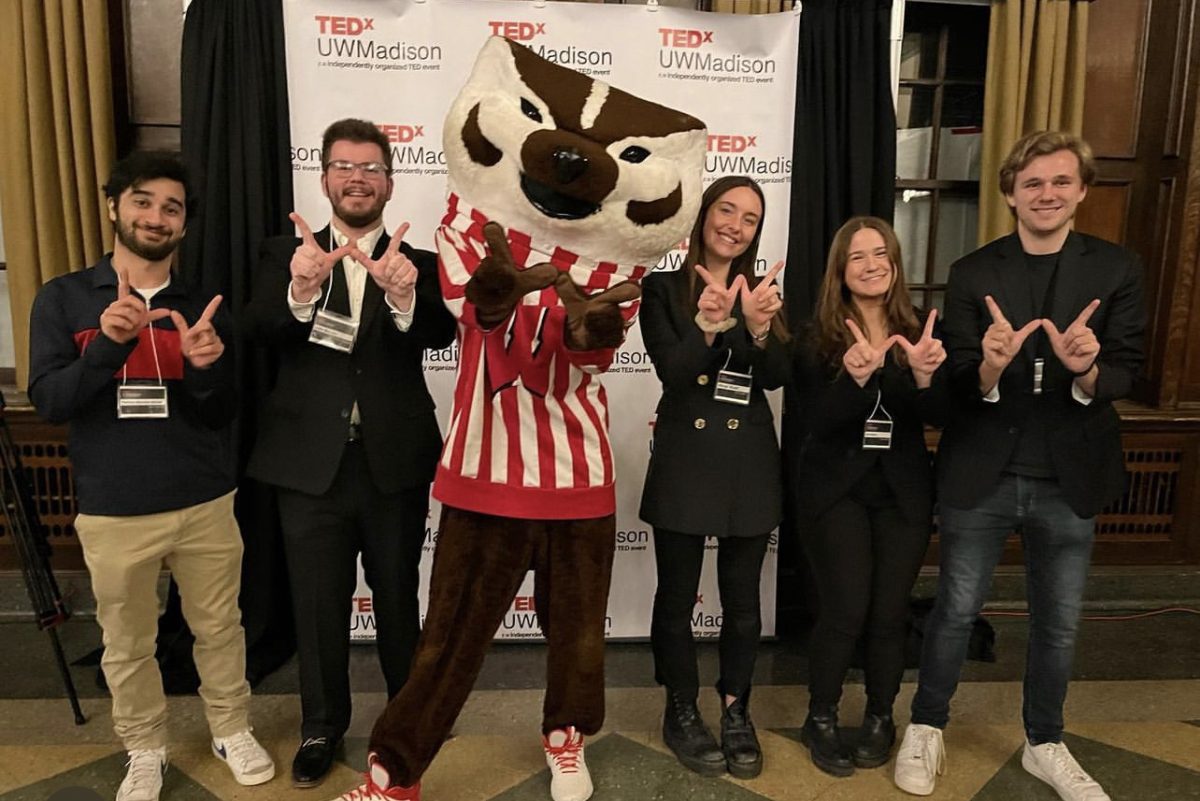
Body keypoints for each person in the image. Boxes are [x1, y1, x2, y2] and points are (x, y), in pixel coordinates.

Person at [893, 131, 1145, 801]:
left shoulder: (1116, 269)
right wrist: (993, 367)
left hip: (1072, 475)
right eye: (1032, 183)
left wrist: (1087, 366)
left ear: (1081, 190)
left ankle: (1045, 740)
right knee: (954, 610)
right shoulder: (975, 272)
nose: (1047, 193)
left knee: (1058, 621)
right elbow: (952, 386)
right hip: (984, 470)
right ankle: (925, 723)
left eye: (1061, 181)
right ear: (1009, 193)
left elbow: (1128, 368)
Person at [27, 151, 275, 801]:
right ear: (114, 207)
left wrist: (203, 367)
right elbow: (51, 401)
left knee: (220, 626)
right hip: (115, 505)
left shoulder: (203, 305)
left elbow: (222, 413)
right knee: (128, 640)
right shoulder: (66, 298)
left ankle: (231, 725)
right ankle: (144, 745)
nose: (155, 216)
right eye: (142, 201)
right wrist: (107, 346)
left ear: (185, 225)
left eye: (171, 207)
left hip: (203, 500)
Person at [244, 118, 456, 788]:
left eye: (370, 167)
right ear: (325, 175)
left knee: (398, 601)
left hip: (391, 461)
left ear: (389, 181)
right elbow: (257, 329)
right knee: (317, 603)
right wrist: (300, 290)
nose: (357, 177)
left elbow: (441, 331)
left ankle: (405, 727)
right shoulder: (286, 252)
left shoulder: (414, 261)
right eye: (344, 165)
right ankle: (321, 726)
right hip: (307, 466)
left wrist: (403, 295)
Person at [638, 176, 789, 780]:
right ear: (704, 216)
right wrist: (708, 324)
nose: (735, 223)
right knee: (676, 600)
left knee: (744, 604)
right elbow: (674, 374)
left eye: (749, 217)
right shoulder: (662, 288)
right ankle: (680, 707)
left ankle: (735, 707)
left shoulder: (767, 290)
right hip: (684, 460)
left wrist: (753, 326)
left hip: (748, 461)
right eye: (726, 209)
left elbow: (777, 374)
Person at [792, 216, 945, 777]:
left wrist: (926, 378)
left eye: (880, 253)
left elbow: (940, 416)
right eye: (857, 256)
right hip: (836, 492)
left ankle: (881, 715)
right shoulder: (817, 336)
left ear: (895, 262)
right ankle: (822, 716)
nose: (872, 264)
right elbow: (816, 424)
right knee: (846, 608)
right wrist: (854, 380)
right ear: (840, 270)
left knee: (888, 613)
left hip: (902, 492)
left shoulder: (922, 329)